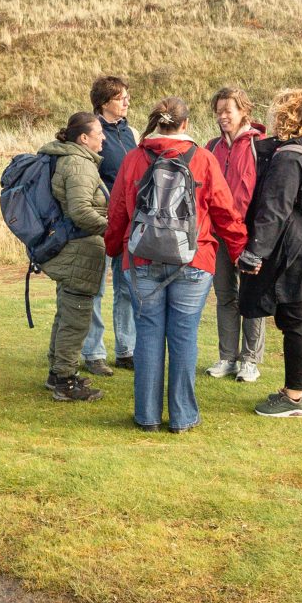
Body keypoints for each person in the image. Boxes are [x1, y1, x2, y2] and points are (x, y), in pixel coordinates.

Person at [104, 95, 247, 433]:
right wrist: (240, 253)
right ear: (185, 124)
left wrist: (113, 248)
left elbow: (118, 212)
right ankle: (182, 417)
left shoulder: (134, 159)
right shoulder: (204, 159)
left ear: (157, 122)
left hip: (141, 258)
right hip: (194, 260)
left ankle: (147, 416)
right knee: (184, 336)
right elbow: (226, 213)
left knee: (148, 335)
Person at [236, 88, 302, 419]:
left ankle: (292, 397)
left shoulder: (290, 157)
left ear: (285, 118)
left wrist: (254, 252)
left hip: (294, 250)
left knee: (294, 322)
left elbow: (275, 210)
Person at [35, 111, 109, 402]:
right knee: (76, 318)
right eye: (98, 132)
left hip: (70, 249)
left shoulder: (69, 159)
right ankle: (64, 381)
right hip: (79, 251)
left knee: (66, 311)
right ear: (83, 138)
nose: (103, 137)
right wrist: (112, 227)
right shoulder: (79, 165)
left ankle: (57, 372)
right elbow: (79, 211)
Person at [203, 86, 267, 383]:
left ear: (244, 111)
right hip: (219, 236)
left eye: (228, 110)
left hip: (250, 236)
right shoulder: (212, 146)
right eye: (218, 111)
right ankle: (228, 357)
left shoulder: (261, 146)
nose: (222, 116)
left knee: (251, 297)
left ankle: (250, 360)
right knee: (225, 296)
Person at [80, 75, 138, 375]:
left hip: (128, 220)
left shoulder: (130, 132)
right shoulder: (91, 133)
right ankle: (93, 352)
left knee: (128, 286)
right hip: (100, 220)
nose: (126, 101)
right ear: (104, 103)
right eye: (120, 97)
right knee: (95, 288)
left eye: (127, 96)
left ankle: (127, 350)